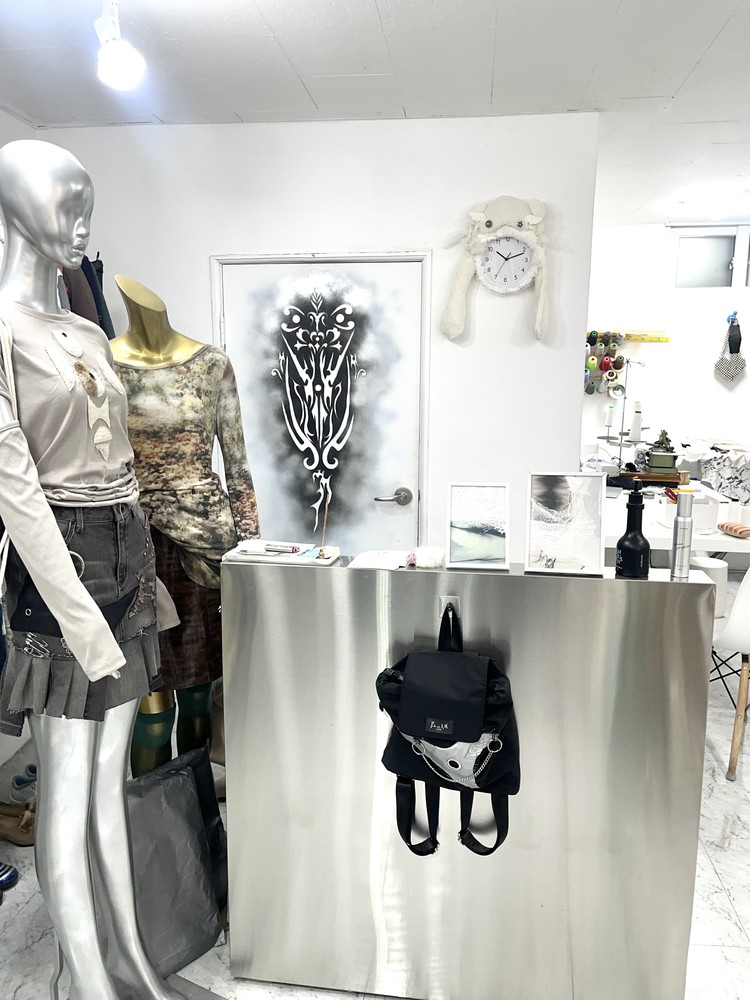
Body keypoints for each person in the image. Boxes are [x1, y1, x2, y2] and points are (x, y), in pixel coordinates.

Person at [0, 139, 180, 1000]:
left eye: (87, 209)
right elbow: (17, 493)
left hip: (125, 552)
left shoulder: (84, 328)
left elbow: (123, 463)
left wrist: (143, 571)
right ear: (12, 206)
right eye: (63, 205)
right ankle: (83, 983)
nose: (79, 225)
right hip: (58, 564)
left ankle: (130, 962)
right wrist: (80, 618)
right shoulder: (2, 329)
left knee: (113, 781)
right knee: (66, 792)